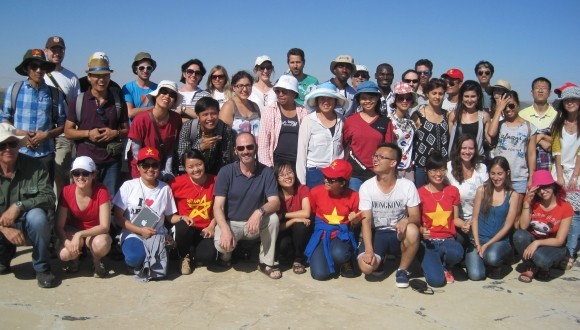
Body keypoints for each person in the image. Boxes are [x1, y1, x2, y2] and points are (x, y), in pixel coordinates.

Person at [213, 133, 281, 279]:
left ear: (255, 148)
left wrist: (259, 212)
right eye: (241, 148)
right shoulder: (226, 172)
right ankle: (226, 256)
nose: (245, 151)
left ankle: (266, 263)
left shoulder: (266, 172)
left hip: (254, 224)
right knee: (222, 244)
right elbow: (217, 206)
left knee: (273, 219)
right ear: (235, 151)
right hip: (232, 223)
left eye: (249, 147)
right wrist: (225, 229)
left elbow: (275, 202)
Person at [0, 123, 56, 288]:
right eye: (2, 145)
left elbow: (49, 197)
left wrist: (19, 205)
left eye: (12, 144)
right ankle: (4, 255)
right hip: (2, 227)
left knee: (38, 217)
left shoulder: (35, 166)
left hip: (25, 223)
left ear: (19, 145)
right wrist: (4, 228)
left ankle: (42, 268)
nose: (8, 149)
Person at [64, 55, 129, 196]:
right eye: (96, 76)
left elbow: (126, 130)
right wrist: (88, 133)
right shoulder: (78, 101)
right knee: (84, 198)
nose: (101, 80)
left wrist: (114, 133)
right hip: (85, 159)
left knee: (108, 199)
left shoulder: (118, 101)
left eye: (105, 75)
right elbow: (68, 132)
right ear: (89, 77)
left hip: (111, 160)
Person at [357, 143, 420, 288]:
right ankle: (381, 257)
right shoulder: (366, 186)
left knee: (412, 230)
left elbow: (416, 217)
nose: (375, 160)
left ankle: (402, 270)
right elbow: (365, 221)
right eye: (375, 156)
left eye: (381, 157)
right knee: (366, 268)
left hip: (398, 233)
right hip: (377, 233)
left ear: (393, 163)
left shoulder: (407, 185)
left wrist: (407, 220)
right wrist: (369, 250)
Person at [1, 49, 67, 185]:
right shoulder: (14, 89)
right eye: (34, 66)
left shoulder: (54, 94)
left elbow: (63, 125)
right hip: (19, 152)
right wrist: (20, 134)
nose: (39, 70)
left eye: (42, 66)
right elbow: (4, 119)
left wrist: (46, 135)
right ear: (26, 69)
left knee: (45, 197)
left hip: (45, 155)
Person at [113, 147, 178, 281]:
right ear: (138, 166)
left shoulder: (165, 188)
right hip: (133, 233)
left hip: (156, 235)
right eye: (145, 165)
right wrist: (140, 230)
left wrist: (183, 218)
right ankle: (136, 257)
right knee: (134, 259)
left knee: (160, 270)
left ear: (160, 166)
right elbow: (118, 218)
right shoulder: (128, 186)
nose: (150, 169)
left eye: (154, 165)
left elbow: (170, 216)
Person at [304, 159, 362, 280]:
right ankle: (327, 254)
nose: (326, 180)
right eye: (325, 176)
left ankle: (345, 261)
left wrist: (355, 221)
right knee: (319, 275)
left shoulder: (354, 196)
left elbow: (357, 222)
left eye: (331, 179)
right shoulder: (315, 192)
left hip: (340, 234)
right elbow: (313, 213)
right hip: (321, 233)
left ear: (342, 183)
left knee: (339, 254)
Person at [56, 156, 112, 278]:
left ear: (93, 175)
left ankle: (96, 260)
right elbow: (59, 226)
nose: (80, 177)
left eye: (85, 173)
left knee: (101, 244)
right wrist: (66, 242)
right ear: (72, 175)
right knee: (64, 254)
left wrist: (79, 234)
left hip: (95, 232)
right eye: (76, 173)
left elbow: (104, 226)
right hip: (73, 230)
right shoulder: (66, 191)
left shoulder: (102, 191)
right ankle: (75, 260)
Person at [514, 170, 573, 283]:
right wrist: (526, 204)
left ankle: (544, 267)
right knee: (519, 236)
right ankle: (530, 267)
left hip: (554, 246)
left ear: (553, 186)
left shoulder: (565, 207)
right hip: (533, 240)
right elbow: (523, 226)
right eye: (538, 188)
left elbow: (560, 240)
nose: (542, 191)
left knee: (542, 259)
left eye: (546, 186)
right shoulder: (532, 202)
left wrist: (537, 243)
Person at [487, 90, 537, 222]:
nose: (508, 110)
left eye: (511, 106)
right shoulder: (499, 125)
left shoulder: (529, 127)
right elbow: (491, 133)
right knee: (499, 212)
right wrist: (499, 110)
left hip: (519, 175)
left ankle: (513, 241)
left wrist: (532, 177)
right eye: (505, 107)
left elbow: (531, 153)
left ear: (518, 105)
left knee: (516, 214)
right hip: (499, 176)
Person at [465, 156, 517, 280]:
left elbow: (507, 226)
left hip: (498, 241)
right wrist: (477, 243)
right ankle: (480, 260)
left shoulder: (513, 195)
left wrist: (487, 244)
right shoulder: (482, 190)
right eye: (492, 173)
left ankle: (497, 264)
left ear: (507, 173)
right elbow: (475, 218)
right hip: (479, 239)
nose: (496, 177)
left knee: (492, 256)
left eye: (500, 174)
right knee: (476, 275)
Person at [417, 152, 464, 287]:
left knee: (457, 252)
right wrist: (421, 230)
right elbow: (416, 222)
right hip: (428, 242)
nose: (438, 174)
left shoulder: (452, 191)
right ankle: (433, 265)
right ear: (426, 171)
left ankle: (442, 265)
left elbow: (455, 219)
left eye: (442, 170)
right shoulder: (419, 193)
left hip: (447, 240)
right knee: (436, 282)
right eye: (434, 170)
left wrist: (465, 224)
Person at [170, 149, 218, 275]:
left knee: (208, 257)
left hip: (205, 229)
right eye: (190, 167)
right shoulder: (176, 183)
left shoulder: (215, 181)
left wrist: (212, 226)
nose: (196, 169)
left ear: (204, 163)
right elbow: (168, 210)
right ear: (185, 168)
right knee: (183, 227)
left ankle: (193, 252)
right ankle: (183, 255)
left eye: (199, 164)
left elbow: (221, 208)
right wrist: (180, 217)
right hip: (186, 228)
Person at [43, 36, 80, 198]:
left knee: (61, 178)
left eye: (60, 50)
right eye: (53, 50)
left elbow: (76, 108)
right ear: (46, 51)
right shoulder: (39, 74)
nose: (56, 53)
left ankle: (60, 216)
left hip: (62, 135)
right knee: (42, 178)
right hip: (41, 136)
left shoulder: (71, 77)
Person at [343, 80, 393, 191]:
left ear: (377, 98)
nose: (368, 101)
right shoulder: (350, 121)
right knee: (355, 206)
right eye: (364, 98)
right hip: (354, 174)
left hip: (377, 172)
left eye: (371, 97)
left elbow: (389, 150)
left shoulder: (385, 122)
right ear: (358, 100)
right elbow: (343, 145)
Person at [128, 80, 183, 180]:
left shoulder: (176, 119)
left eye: (172, 95)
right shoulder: (141, 119)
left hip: (162, 169)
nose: (167, 96)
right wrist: (145, 172)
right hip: (142, 168)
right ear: (156, 95)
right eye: (164, 92)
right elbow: (136, 152)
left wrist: (168, 170)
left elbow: (171, 148)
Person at [550, 86, 580, 270]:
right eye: (567, 100)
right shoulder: (558, 123)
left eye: (574, 100)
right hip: (559, 171)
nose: (570, 103)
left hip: (577, 173)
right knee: (559, 212)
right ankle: (558, 248)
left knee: (575, 215)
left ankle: (570, 251)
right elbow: (556, 149)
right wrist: (560, 174)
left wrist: (575, 176)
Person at [296, 86, 348, 188]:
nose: (326, 102)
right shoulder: (309, 120)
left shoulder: (342, 120)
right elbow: (301, 152)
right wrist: (302, 183)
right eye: (322, 99)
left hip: (336, 173)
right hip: (314, 173)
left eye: (330, 99)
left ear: (335, 101)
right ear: (317, 101)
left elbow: (346, 146)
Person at [446, 135, 488, 247]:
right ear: (458, 149)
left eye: (471, 148)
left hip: (479, 221)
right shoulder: (449, 168)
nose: (467, 151)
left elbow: (488, 196)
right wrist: (462, 223)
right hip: (457, 221)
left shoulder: (482, 168)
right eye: (464, 148)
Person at [258, 75, 307, 167]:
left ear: (294, 93)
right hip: (277, 162)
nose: (280, 94)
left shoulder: (303, 112)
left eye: (284, 91)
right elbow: (263, 143)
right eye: (277, 91)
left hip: (299, 163)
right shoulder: (270, 112)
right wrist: (267, 168)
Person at [177, 96, 235, 175]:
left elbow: (226, 159)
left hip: (214, 175)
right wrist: (200, 147)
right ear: (198, 116)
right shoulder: (188, 127)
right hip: (191, 174)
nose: (210, 118)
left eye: (213, 113)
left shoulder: (224, 129)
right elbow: (181, 157)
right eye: (205, 114)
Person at [274, 161, 311, 274]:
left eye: (290, 172)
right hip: (283, 230)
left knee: (301, 225)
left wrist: (284, 215)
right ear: (277, 179)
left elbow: (306, 213)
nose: (288, 177)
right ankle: (286, 257)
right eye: (283, 175)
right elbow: (277, 227)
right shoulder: (275, 196)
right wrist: (294, 219)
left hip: (299, 232)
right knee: (284, 246)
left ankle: (298, 260)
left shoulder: (302, 189)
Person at [411, 78, 450, 187]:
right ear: (427, 94)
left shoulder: (447, 115)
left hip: (441, 167)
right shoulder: (418, 115)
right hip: (422, 166)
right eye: (434, 93)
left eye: (441, 94)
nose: (437, 97)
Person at [519, 77, 557, 171]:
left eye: (544, 88)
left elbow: (560, 142)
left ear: (549, 93)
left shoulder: (557, 115)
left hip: (551, 167)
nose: (540, 91)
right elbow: (519, 141)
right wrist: (540, 138)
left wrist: (542, 136)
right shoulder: (522, 115)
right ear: (532, 92)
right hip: (526, 166)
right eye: (537, 88)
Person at [447, 80, 491, 159]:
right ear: (462, 97)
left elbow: (489, 140)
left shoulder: (484, 116)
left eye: (473, 96)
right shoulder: (454, 115)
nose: (469, 100)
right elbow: (451, 138)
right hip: (456, 161)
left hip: (476, 161)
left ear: (478, 97)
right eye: (466, 96)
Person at [219, 71, 261, 139]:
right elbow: (223, 135)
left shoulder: (255, 106)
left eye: (248, 85)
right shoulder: (229, 106)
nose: (245, 89)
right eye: (240, 86)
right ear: (234, 88)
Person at [389, 82, 417, 181]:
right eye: (401, 98)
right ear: (395, 100)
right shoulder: (389, 121)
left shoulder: (411, 123)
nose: (404, 101)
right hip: (394, 168)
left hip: (409, 168)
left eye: (408, 98)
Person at [122, 52, 158, 120]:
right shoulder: (128, 88)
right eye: (141, 68)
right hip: (134, 129)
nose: (145, 70)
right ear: (136, 70)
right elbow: (130, 113)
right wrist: (155, 108)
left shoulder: (158, 88)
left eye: (149, 68)